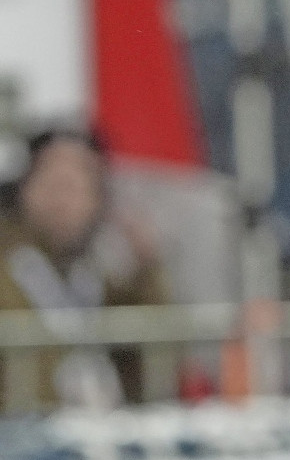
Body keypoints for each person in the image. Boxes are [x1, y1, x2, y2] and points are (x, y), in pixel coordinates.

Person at [0, 129, 167, 410]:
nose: (61, 201)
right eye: (52, 181)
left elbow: (150, 359)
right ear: (23, 189)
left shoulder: (94, 277)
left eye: (76, 185)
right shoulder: (10, 267)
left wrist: (146, 272)